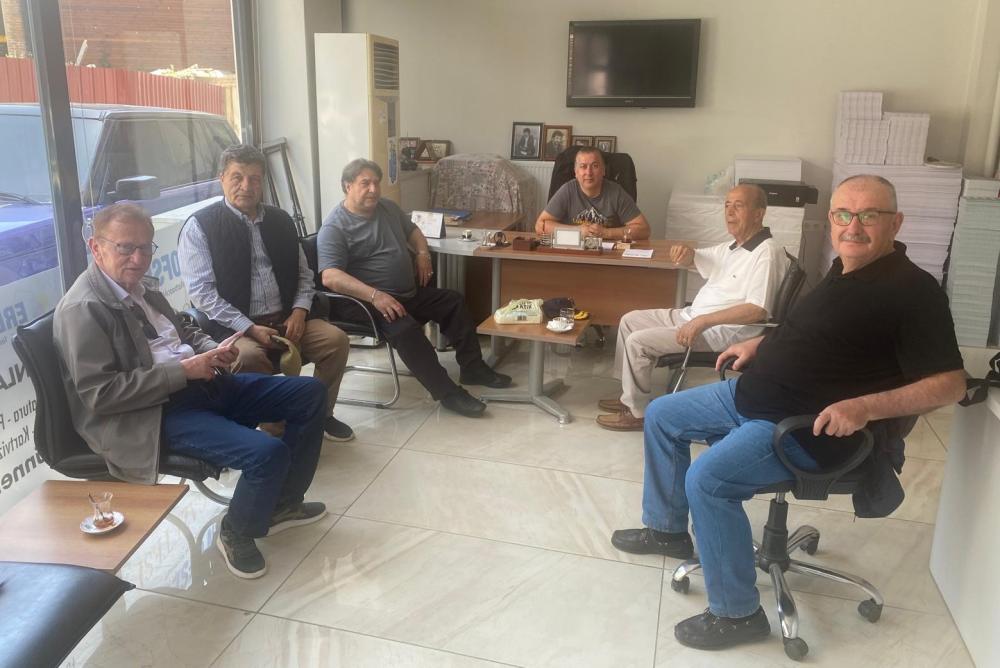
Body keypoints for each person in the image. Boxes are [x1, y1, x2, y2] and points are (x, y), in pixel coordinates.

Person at [610, 175, 966, 651]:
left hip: (802, 427)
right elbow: (809, 331)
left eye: (869, 215)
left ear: (895, 223)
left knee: (708, 480)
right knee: (662, 414)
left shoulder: (914, 292)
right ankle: (666, 531)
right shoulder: (843, 268)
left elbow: (950, 384)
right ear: (832, 219)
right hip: (754, 394)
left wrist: (865, 407)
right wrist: (760, 343)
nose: (853, 226)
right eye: (843, 214)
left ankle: (737, 614)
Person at [54, 203, 330, 579]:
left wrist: (211, 350)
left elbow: (183, 332)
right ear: (96, 247)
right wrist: (183, 371)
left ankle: (281, 505)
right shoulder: (82, 309)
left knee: (310, 393)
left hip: (202, 383)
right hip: (154, 412)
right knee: (267, 453)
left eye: (146, 247)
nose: (139, 258)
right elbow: (101, 395)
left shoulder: (142, 287)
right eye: (126, 247)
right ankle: (237, 531)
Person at [178, 144, 354, 442]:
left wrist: (299, 311)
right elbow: (203, 294)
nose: (246, 186)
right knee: (247, 357)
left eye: (254, 179)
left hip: (287, 318)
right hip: (236, 329)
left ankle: (319, 415)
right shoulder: (200, 227)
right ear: (222, 178)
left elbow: (304, 274)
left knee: (335, 341)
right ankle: (278, 432)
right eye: (237, 177)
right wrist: (249, 327)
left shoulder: (281, 220)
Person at [317, 158, 511, 417]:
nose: (373, 189)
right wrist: (375, 296)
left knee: (452, 302)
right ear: (347, 186)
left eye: (376, 183)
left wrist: (422, 254)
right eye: (365, 183)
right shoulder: (334, 227)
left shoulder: (387, 207)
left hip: (406, 294)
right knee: (406, 329)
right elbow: (330, 277)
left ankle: (473, 368)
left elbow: (414, 231)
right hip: (367, 303)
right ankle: (448, 394)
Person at [596, 184, 787, 431]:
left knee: (638, 341)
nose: (729, 212)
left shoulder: (766, 252)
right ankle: (629, 396)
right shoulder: (734, 247)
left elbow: (758, 310)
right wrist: (686, 254)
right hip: (694, 317)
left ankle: (637, 412)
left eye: (738, 206)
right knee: (629, 320)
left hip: (723, 331)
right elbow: (697, 257)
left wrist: (703, 321)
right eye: (727, 205)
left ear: (759, 213)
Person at [535, 147, 650, 241]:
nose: (589, 172)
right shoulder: (567, 190)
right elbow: (541, 225)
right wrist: (578, 231)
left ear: (603, 170)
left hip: (608, 254)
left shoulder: (616, 192)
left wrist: (606, 233)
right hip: (573, 252)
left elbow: (644, 230)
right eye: (583, 166)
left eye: (595, 166)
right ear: (576, 172)